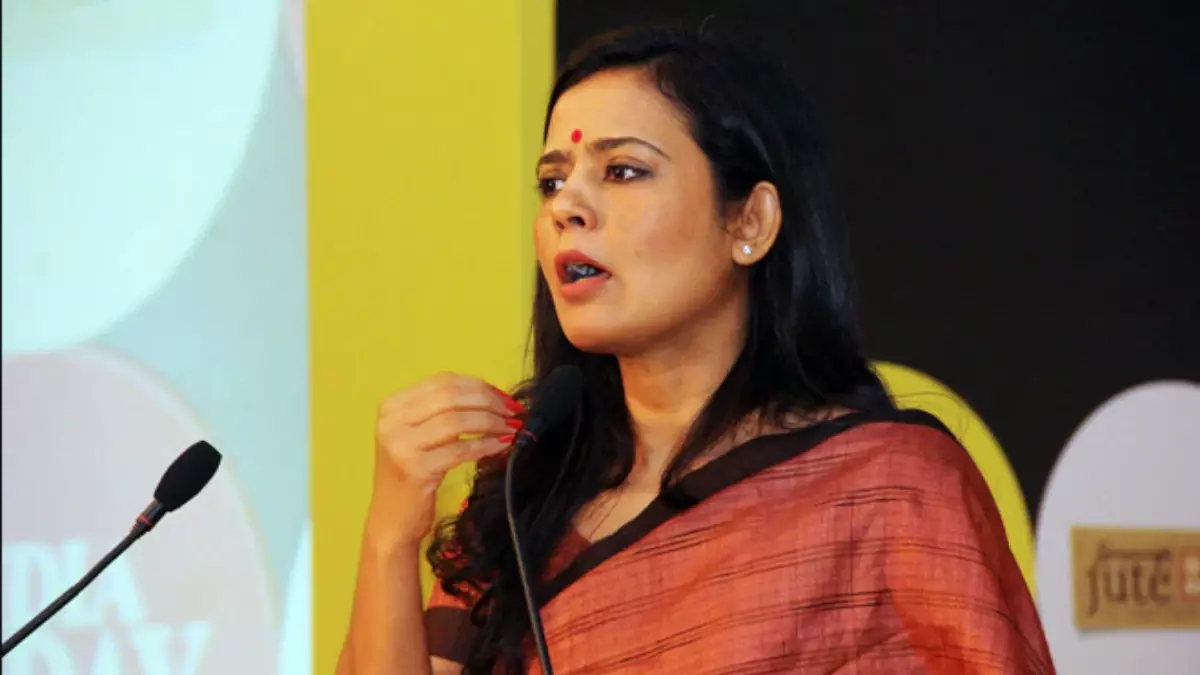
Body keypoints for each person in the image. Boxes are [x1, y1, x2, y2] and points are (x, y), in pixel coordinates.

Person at [336, 24, 1056, 675]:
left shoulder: (890, 488)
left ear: (750, 221)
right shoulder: (523, 499)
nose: (565, 207)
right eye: (552, 182)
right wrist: (391, 536)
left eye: (622, 171)